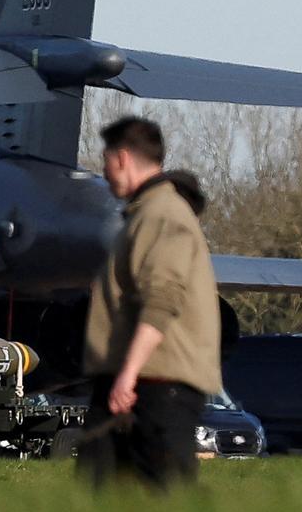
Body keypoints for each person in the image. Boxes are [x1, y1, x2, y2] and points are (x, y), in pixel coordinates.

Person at [79, 116, 221, 489]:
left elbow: (162, 300)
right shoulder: (146, 214)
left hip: (154, 387)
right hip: (141, 384)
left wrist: (127, 376)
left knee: (163, 499)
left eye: (105, 159)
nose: (104, 171)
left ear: (122, 158)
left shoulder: (161, 215)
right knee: (102, 496)